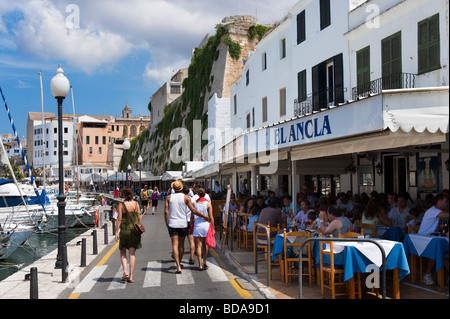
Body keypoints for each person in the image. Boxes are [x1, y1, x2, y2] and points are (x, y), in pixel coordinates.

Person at [164, 180, 209, 274]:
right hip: (183, 224)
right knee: (181, 245)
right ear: (181, 188)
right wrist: (204, 216)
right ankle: (179, 262)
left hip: (173, 224)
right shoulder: (186, 197)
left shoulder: (169, 197)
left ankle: (178, 266)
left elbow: (166, 211)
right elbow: (193, 210)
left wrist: (167, 223)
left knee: (174, 245)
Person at [418, 193, 449, 285]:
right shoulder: (433, 210)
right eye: (446, 202)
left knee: (443, 252)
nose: (447, 204)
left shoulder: (436, 211)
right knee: (441, 252)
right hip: (424, 240)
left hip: (430, 238)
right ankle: (427, 275)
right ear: (439, 201)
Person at [115, 187, 142, 283]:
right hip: (134, 232)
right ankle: (131, 276)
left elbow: (119, 219)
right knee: (132, 253)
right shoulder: (136, 204)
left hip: (125, 231)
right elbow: (139, 218)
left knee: (122, 252)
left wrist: (116, 232)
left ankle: (125, 271)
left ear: (123, 195)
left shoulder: (121, 205)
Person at [191, 188, 214, 271]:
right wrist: (213, 228)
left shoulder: (194, 204)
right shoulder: (208, 204)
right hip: (206, 226)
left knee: (198, 245)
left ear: (198, 195)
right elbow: (211, 217)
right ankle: (204, 261)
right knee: (205, 245)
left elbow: (192, 217)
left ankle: (200, 264)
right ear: (205, 195)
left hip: (197, 225)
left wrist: (191, 224)